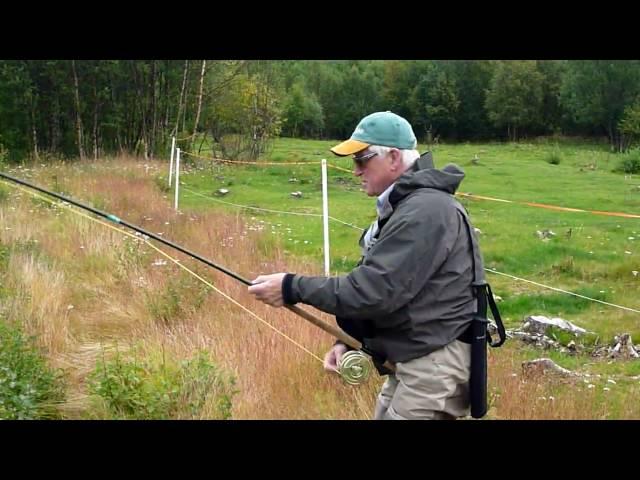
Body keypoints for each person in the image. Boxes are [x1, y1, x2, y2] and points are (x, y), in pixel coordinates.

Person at [248, 111, 487, 420]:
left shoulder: (426, 210)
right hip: (413, 356)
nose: (356, 171)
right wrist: (350, 342)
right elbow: (393, 292)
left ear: (394, 158)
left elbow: (373, 291)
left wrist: (290, 287)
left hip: (432, 364)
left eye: (362, 159)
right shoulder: (407, 207)